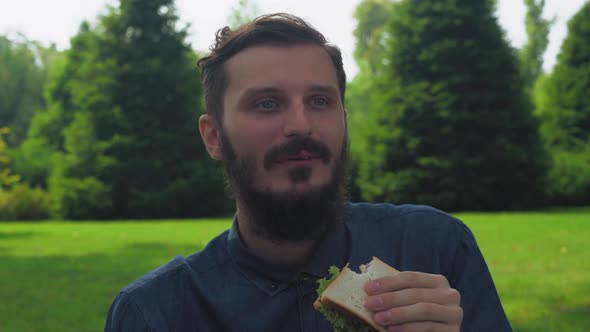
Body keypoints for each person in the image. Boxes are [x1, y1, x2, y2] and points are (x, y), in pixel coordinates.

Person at [105, 13, 511, 332]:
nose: (301, 124)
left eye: (319, 100)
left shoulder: (435, 252)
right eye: (266, 103)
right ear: (214, 137)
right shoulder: (156, 314)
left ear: (344, 122)